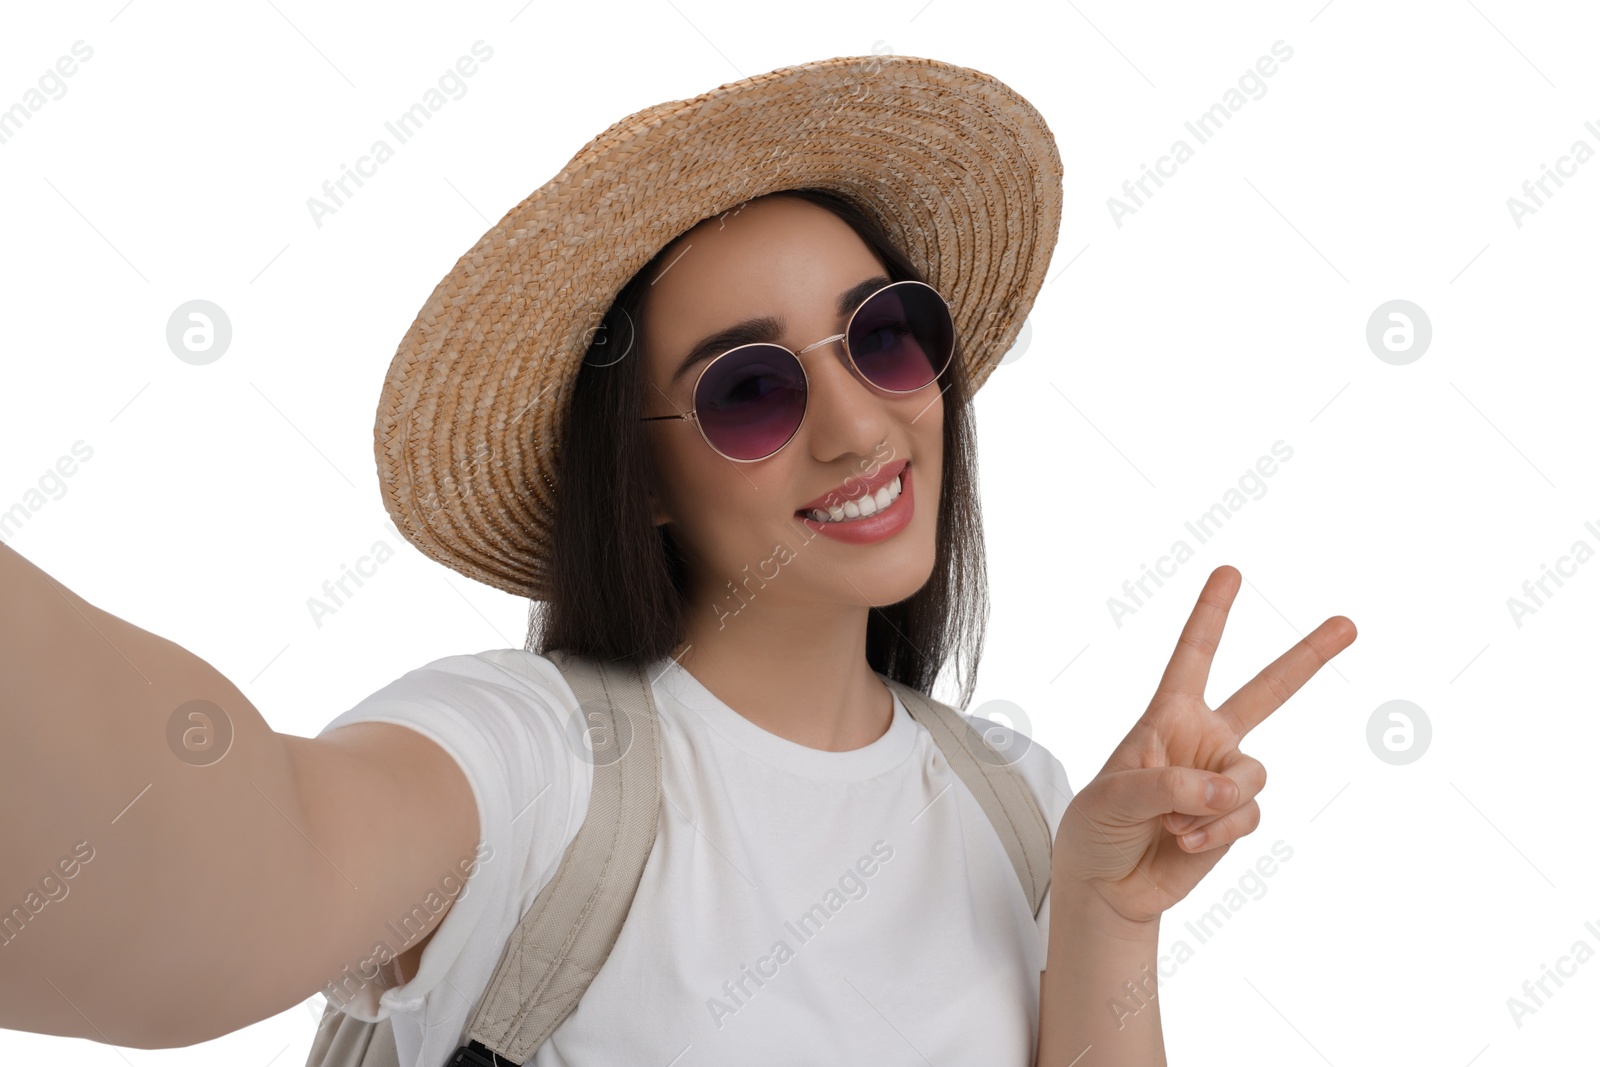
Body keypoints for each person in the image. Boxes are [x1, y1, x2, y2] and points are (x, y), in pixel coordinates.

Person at [0, 55, 1354, 1066]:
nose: (860, 421)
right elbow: (241, 870)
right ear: (639, 479)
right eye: (750, 391)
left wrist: (1111, 917)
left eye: (884, 335)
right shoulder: (531, 758)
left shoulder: (1017, 802)